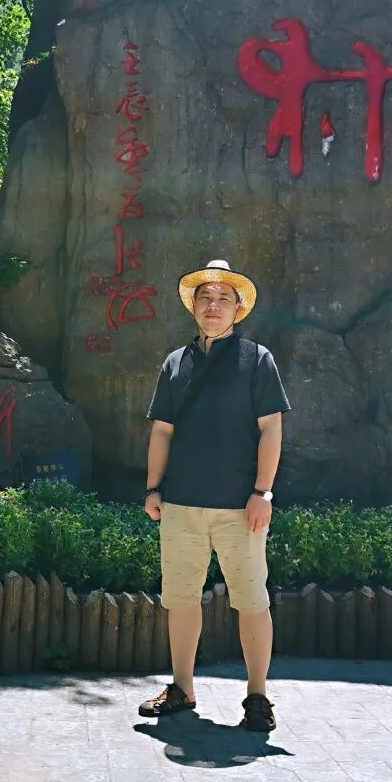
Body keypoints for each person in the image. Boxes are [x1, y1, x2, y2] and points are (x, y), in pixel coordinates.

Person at [137, 258, 292, 731]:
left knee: (252, 600)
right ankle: (182, 688)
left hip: (239, 507)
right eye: (205, 297)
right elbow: (162, 431)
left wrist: (263, 492)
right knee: (181, 597)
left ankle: (258, 697)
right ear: (193, 306)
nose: (213, 305)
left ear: (238, 309)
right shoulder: (175, 363)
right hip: (181, 503)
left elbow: (271, 429)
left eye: (224, 298)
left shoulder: (257, 359)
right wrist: (153, 488)